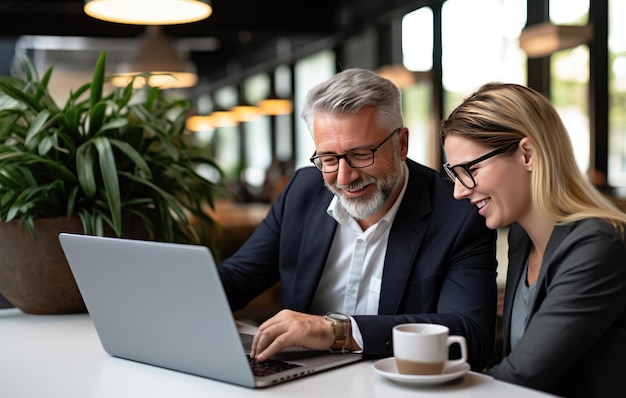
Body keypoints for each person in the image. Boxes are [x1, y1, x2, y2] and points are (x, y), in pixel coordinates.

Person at [217, 68, 498, 371]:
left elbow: (472, 336)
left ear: (401, 144)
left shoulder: (459, 214)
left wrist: (336, 332)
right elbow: (239, 277)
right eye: (328, 159)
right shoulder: (302, 191)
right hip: (298, 382)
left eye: (361, 154)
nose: (344, 177)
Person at [440, 82, 626, 397]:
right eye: (454, 174)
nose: (459, 190)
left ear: (527, 154)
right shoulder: (522, 237)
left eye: (469, 170)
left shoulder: (595, 245)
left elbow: (520, 377)